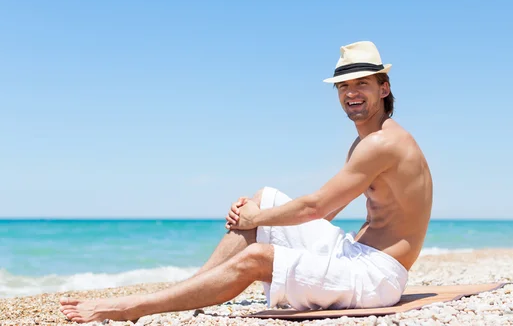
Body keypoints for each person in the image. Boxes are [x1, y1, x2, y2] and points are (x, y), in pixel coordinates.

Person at [59, 40, 433, 323]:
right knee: (265, 196)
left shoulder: (382, 143)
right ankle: (188, 290)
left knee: (257, 256)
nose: (350, 93)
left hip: (377, 277)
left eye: (362, 84)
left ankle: (131, 308)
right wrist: (261, 215)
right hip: (354, 255)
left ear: (383, 89)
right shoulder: (368, 141)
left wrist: (256, 223)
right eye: (342, 85)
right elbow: (332, 208)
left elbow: (315, 207)